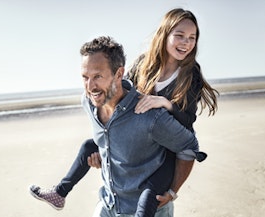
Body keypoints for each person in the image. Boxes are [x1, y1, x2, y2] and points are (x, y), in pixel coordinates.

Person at [29, 8, 218, 216]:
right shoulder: (144, 64)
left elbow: (188, 121)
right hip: (139, 142)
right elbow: (123, 92)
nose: (186, 42)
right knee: (88, 146)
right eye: (179, 35)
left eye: (192, 38)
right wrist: (108, 153)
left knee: (148, 195)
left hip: (168, 152)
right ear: (164, 34)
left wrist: (165, 103)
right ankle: (60, 192)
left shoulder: (191, 74)